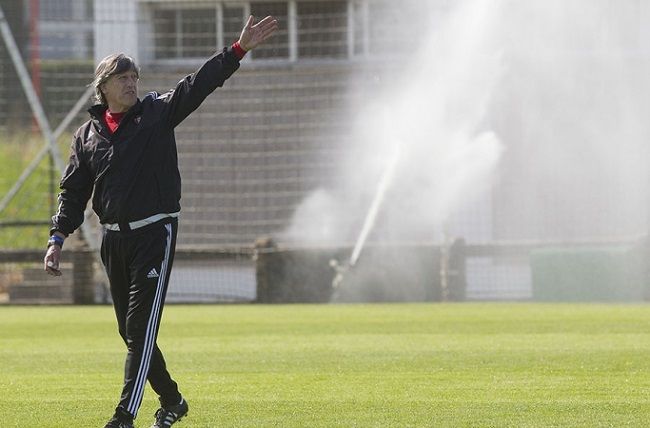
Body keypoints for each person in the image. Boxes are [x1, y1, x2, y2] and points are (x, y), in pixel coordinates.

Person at [43, 15, 278, 428]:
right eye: (122, 78)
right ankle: (172, 401)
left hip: (156, 233)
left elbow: (197, 85)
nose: (131, 83)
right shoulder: (86, 136)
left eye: (134, 76)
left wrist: (236, 51)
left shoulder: (155, 112)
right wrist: (57, 238)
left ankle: (124, 416)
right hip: (113, 242)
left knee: (140, 330)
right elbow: (73, 191)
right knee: (131, 333)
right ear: (103, 87)